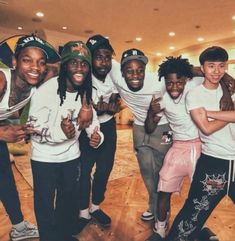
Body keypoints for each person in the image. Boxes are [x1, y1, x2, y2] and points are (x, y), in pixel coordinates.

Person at [28, 40, 104, 241]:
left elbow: (93, 121)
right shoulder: (46, 90)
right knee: (44, 204)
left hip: (71, 157)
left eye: (84, 63)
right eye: (74, 63)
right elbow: (33, 130)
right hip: (44, 159)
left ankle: (62, 235)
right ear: (65, 65)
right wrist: (63, 133)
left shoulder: (86, 91)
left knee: (67, 201)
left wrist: (97, 136)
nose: (80, 68)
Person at [144, 56, 217, 241]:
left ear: (186, 80)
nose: (174, 87)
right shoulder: (159, 97)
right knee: (163, 189)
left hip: (199, 147)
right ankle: (160, 229)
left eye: (179, 82)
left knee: (200, 194)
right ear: (165, 81)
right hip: (177, 147)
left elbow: (210, 73)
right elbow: (149, 128)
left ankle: (200, 227)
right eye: (170, 82)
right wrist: (152, 113)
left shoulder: (195, 86)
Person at [166, 46, 235, 241]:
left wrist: (212, 113)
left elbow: (210, 119)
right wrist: (229, 115)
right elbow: (206, 128)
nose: (217, 71)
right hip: (214, 163)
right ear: (202, 68)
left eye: (222, 66)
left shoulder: (231, 89)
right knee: (192, 215)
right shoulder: (195, 94)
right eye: (211, 66)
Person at [0, 34, 60, 241]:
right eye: (27, 60)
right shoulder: (1, 80)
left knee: (5, 182)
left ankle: (19, 228)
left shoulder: (38, 78)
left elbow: (69, 68)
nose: (35, 67)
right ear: (14, 62)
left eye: (41, 62)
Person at [109, 48, 173, 222]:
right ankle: (154, 206)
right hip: (139, 128)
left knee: (163, 171)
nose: (135, 75)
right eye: (129, 71)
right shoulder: (115, 74)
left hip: (165, 129)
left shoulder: (158, 80)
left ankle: (163, 210)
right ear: (122, 72)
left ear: (145, 70)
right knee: (146, 171)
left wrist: (227, 77)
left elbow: (191, 71)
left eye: (140, 70)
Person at [77, 34, 121, 232]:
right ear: (90, 58)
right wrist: (99, 109)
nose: (103, 62)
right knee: (84, 171)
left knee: (104, 169)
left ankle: (95, 206)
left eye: (107, 57)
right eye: (98, 57)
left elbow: (118, 95)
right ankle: (83, 211)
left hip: (109, 127)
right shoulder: (83, 75)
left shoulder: (115, 70)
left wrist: (114, 104)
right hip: (86, 126)